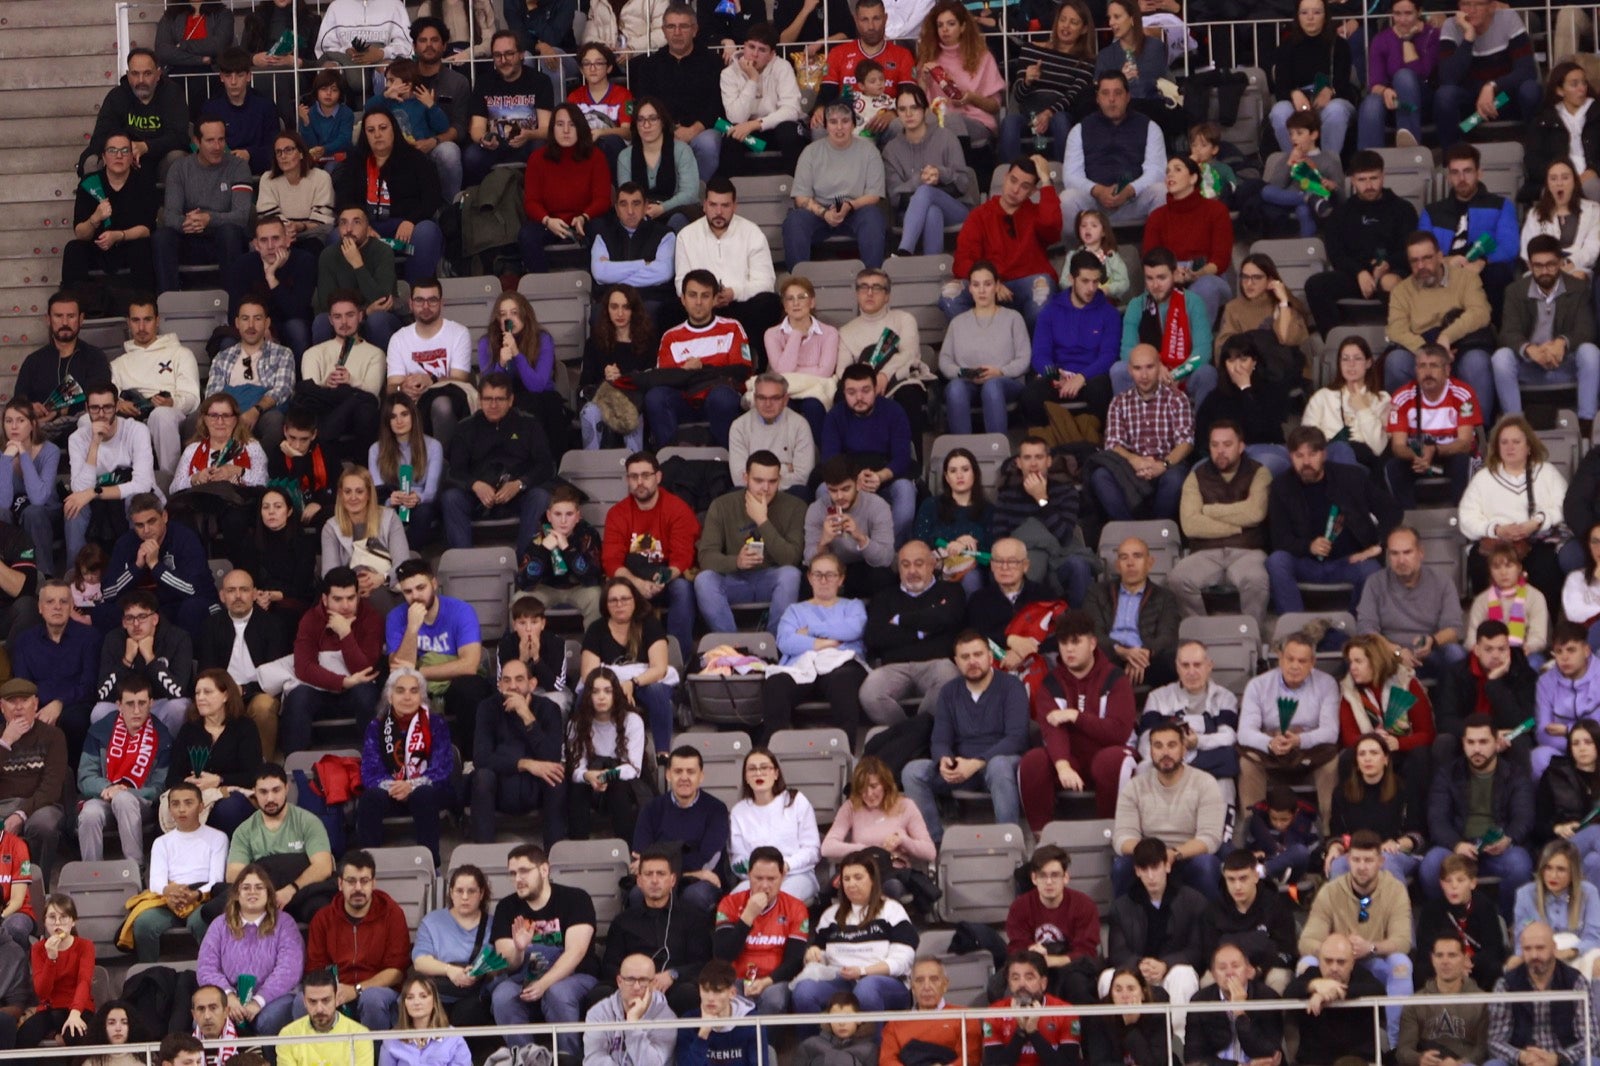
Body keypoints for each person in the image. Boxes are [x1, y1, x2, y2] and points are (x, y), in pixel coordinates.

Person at [902, 631, 1028, 845]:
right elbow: (940, 738)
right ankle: (936, 844)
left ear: (990, 657)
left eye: (978, 654)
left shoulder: (1011, 686)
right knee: (912, 772)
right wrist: (944, 760)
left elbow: (1016, 738)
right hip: (961, 768)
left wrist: (977, 762)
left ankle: (1010, 842)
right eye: (965, 657)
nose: (972, 661)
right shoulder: (949, 691)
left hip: (1001, 763)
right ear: (956, 662)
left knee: (998, 765)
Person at [1020, 609, 1138, 828]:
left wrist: (1076, 717)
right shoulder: (1051, 683)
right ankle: (1042, 839)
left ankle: (1111, 833)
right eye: (1064, 643)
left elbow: (1119, 732)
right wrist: (1063, 766)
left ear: (1093, 643)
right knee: (1034, 760)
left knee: (1110, 761)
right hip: (1071, 759)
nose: (1069, 649)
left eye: (1076, 642)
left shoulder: (1115, 678)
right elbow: (1052, 730)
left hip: (1110, 754)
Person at [1266, 425, 1401, 616]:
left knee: (1371, 570)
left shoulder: (1351, 477)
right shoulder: (1281, 486)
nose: (1306, 462)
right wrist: (1308, 546)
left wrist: (1380, 545)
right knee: (1276, 561)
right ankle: (1293, 629)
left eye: (1312, 454)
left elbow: (1391, 510)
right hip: (1305, 562)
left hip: (1349, 560)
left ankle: (1356, 630)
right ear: (1290, 457)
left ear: (1324, 454)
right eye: (1299, 455)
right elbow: (1279, 539)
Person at [1299, 828, 1415, 1041]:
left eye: (1369, 860)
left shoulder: (1395, 890)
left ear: (1381, 861)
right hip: (1337, 965)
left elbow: (1403, 941)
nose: (1362, 867)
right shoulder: (1330, 891)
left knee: (1401, 963)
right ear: (1348, 860)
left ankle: (1395, 1045)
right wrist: (1335, 951)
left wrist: (1370, 947)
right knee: (1306, 962)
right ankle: (1310, 1043)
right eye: (1356, 860)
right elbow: (1307, 941)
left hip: (1374, 962)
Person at [490, 844, 601, 1055]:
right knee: (502, 995)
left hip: (575, 976)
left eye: (524, 871)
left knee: (557, 992)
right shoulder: (506, 907)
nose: (518, 879)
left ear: (544, 870)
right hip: (524, 978)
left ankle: (568, 1058)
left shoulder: (576, 899)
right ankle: (527, 1058)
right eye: (512, 873)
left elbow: (575, 952)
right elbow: (507, 962)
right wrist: (520, 950)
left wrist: (544, 983)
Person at [1421, 714, 1536, 912]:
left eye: (1483, 742)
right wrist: (1456, 844)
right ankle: (1448, 920)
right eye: (1470, 742)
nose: (1476, 749)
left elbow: (1524, 815)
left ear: (1496, 743)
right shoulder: (1448, 774)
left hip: (1499, 849)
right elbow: (1437, 819)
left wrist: (1508, 839)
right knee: (1431, 865)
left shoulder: (1514, 774)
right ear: (1463, 744)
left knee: (1520, 866)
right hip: (1458, 847)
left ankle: (1506, 923)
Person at [1304, 153, 1420, 336]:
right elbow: (1336, 254)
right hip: (1355, 275)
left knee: (1390, 282)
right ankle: (1336, 341)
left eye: (1374, 178)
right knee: (1315, 285)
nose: (1369, 185)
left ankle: (1399, 338)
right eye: (1362, 180)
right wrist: (1359, 272)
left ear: (1383, 176)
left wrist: (1387, 264)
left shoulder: (1403, 209)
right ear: (1352, 181)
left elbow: (1411, 249)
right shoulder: (1341, 213)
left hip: (1392, 271)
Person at [1493, 237, 1600, 434]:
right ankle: (1514, 425)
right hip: (1530, 364)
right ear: (1529, 265)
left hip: (1565, 361)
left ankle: (1587, 423)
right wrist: (1529, 349)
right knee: (1501, 358)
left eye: (1550, 265)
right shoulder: (1515, 291)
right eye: (1538, 266)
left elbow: (1586, 330)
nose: (1544, 271)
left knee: (1590, 352)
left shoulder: (1578, 288)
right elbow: (1508, 332)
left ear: (1560, 262)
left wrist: (1562, 343)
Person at [602, 450, 698, 669]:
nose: (640, 482)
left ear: (658, 477)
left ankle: (677, 662)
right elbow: (611, 562)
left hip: (665, 577)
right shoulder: (618, 513)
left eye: (646, 475)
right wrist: (637, 584)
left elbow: (682, 558)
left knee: (683, 590)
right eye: (634, 477)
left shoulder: (677, 509)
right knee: (611, 591)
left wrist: (661, 580)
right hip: (632, 579)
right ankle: (619, 659)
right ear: (628, 480)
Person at [1167, 421, 1272, 621]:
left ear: (1241, 446)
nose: (1220, 451)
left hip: (1248, 551)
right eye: (1215, 445)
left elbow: (1255, 513)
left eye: (1227, 444)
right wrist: (1238, 526)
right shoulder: (1195, 477)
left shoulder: (1259, 473)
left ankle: (1251, 635)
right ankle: (1201, 634)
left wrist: (1208, 510)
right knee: (1177, 578)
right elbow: (1191, 525)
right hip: (1205, 553)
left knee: (1256, 579)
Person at [790, 850, 917, 1013]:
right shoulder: (830, 915)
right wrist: (813, 954)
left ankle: (872, 1039)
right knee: (804, 991)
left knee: (866, 988)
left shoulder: (892, 910)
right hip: (841, 981)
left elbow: (903, 961)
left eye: (858, 877)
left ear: (872, 880)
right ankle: (813, 1040)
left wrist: (863, 971)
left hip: (884, 982)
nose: (851, 884)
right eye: (846, 878)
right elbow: (820, 953)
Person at [386, 559, 491, 755]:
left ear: (434, 583)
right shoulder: (396, 617)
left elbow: (469, 665)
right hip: (418, 688)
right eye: (408, 592)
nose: (415, 596)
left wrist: (420, 672)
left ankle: (471, 758)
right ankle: (402, 762)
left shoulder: (461, 611)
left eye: (421, 587)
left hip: (453, 686)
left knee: (469, 687)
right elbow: (399, 671)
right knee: (395, 689)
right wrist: (412, 629)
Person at [438, 373, 553, 551]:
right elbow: (454, 472)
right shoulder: (465, 428)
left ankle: (525, 562)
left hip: (518, 494)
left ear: (510, 400)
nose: (493, 405)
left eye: (499, 399)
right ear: (479, 399)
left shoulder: (529, 425)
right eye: (488, 399)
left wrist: (520, 484)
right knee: (451, 498)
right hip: (477, 496)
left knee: (540, 496)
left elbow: (545, 466)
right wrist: (475, 485)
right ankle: (463, 565)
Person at [1112, 719, 1226, 899]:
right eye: (1158, 746)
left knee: (1206, 864)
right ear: (1150, 751)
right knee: (1121, 866)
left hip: (1187, 857)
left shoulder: (1205, 783)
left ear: (1184, 749)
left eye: (1172, 745)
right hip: (1149, 859)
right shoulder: (1135, 787)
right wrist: (1155, 856)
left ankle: (1210, 925)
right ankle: (1124, 924)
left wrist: (1173, 854)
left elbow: (1209, 839)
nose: (1165, 752)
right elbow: (1122, 838)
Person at [693, 451, 805, 635]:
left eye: (772, 482)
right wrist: (736, 561)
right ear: (746, 478)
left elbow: (792, 559)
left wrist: (762, 521)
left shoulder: (795, 506)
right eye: (758, 480)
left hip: (770, 579)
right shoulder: (722, 505)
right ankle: (733, 646)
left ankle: (775, 644)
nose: (765, 488)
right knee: (704, 580)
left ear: (780, 480)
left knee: (791, 575)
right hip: (735, 579)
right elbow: (706, 557)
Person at [943, 155, 1059, 328]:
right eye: (1013, 180)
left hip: (1026, 285)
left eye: (1024, 186)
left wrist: (1046, 181)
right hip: (988, 285)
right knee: (950, 294)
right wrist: (991, 282)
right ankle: (982, 347)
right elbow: (962, 261)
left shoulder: (1036, 213)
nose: (1015, 189)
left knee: (1043, 288)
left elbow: (1052, 227)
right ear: (1005, 178)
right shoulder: (979, 215)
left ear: (1033, 191)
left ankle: (1024, 348)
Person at [1238, 629, 1341, 823]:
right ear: (1280, 658)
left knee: (1332, 763)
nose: (1295, 666)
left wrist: (1300, 740)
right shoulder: (1258, 685)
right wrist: (1270, 742)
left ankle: (1330, 831)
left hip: (1309, 751)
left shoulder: (1327, 684)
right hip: (1270, 750)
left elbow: (1331, 732)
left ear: (1312, 663)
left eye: (1302, 661)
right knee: (1247, 762)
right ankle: (1254, 829)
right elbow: (1244, 732)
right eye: (1290, 659)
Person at [332, 107, 444, 283]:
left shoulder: (415, 159)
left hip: (405, 227)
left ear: (394, 129)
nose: (377, 134)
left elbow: (432, 197)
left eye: (383, 128)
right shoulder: (354, 162)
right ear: (365, 135)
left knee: (427, 232)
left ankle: (416, 296)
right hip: (366, 226)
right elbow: (344, 200)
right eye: (371, 130)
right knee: (336, 237)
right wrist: (362, 226)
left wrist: (411, 221)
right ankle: (352, 301)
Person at [280, 567, 383, 757]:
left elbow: (365, 668)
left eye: (351, 598)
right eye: (338, 599)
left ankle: (375, 760)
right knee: (298, 696)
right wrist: (343, 682)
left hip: (357, 690)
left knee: (367, 694)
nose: (345, 606)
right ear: (325, 599)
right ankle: (294, 768)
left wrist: (345, 634)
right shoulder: (310, 619)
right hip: (320, 691)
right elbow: (303, 668)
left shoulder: (370, 617)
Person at [859, 541, 965, 725]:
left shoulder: (950, 590)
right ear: (898, 568)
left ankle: (916, 735)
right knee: (870, 693)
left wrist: (901, 620)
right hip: (894, 667)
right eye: (905, 564)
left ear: (932, 565)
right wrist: (922, 632)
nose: (912, 571)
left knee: (949, 682)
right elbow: (875, 637)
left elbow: (947, 618)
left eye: (919, 563)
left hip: (937, 664)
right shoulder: (884, 597)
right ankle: (907, 734)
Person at [302, 850, 410, 1031]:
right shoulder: (323, 918)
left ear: (373, 883)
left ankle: (373, 1058)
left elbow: (397, 971)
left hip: (378, 991)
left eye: (364, 881)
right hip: (335, 990)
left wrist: (357, 989)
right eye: (351, 881)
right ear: (340, 884)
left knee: (372, 999)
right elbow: (316, 968)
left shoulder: (392, 913)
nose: (358, 888)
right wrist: (331, 993)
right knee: (302, 1003)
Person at [649, 269, 756, 449]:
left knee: (721, 396)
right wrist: (694, 374)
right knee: (655, 397)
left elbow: (742, 370)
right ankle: (670, 461)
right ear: (683, 299)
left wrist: (700, 369)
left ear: (715, 299)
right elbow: (665, 379)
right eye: (692, 295)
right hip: (684, 403)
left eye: (705, 296)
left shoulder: (732, 327)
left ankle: (728, 461)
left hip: (720, 401)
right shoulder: (670, 336)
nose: (698, 302)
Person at [600, 845, 712, 1015]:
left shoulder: (693, 918)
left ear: (673, 880)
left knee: (689, 993)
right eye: (648, 874)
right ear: (639, 881)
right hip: (633, 985)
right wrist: (634, 980)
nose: (654, 880)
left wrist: (673, 974)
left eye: (661, 874)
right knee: (600, 993)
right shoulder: (623, 921)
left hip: (674, 985)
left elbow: (702, 964)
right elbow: (609, 965)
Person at [1106, 837, 1204, 1032]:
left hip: (1172, 971)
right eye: (1144, 869)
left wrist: (1166, 964)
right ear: (1137, 871)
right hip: (1136, 972)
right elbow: (1117, 953)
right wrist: (1139, 965)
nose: (1151, 876)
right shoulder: (1121, 906)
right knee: (1107, 978)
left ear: (1167, 866)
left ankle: (1178, 1044)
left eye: (1155, 867)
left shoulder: (1193, 900)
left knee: (1183, 975)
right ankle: (1120, 1042)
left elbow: (1198, 950)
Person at [356, 668, 453, 865]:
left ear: (422, 697)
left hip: (428, 791)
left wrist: (412, 785)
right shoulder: (377, 726)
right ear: (390, 697)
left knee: (424, 794)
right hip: (390, 792)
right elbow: (370, 771)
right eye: (400, 691)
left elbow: (442, 767)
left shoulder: (436, 724)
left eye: (413, 691)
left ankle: (430, 864)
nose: (407, 696)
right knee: (370, 797)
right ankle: (365, 865)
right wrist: (395, 787)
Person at [1421, 144, 1523, 330]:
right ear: (1448, 176)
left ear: (1479, 173)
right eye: (1455, 173)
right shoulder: (1432, 212)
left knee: (1499, 273)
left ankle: (1492, 332)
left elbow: (1510, 246)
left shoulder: (1500, 205)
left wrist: (1482, 262)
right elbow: (1420, 252)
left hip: (1485, 271)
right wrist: (1444, 260)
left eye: (1467, 171)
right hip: (1446, 272)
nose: (1461, 179)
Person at [1088, 345, 1194, 523]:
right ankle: (1128, 532)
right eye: (1137, 368)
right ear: (1129, 370)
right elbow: (1113, 444)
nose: (1144, 375)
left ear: (1160, 366)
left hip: (1167, 465)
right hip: (1131, 468)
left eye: (1149, 367)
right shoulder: (1119, 402)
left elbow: (1186, 442)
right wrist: (1135, 461)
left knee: (1175, 478)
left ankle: (1158, 530)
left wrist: (1163, 465)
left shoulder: (1177, 398)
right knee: (1100, 477)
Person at [195, 864, 304, 1035]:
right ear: (237, 894)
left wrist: (258, 1001)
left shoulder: (285, 924)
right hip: (229, 999)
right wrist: (228, 997)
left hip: (273, 999)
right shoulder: (219, 925)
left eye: (259, 887)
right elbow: (206, 968)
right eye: (246, 888)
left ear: (269, 893)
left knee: (269, 1019)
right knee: (207, 1017)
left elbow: (289, 969)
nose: (252, 892)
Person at [123, 780, 225, 961]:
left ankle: (211, 975)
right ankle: (149, 976)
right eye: (175, 804)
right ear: (169, 809)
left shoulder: (218, 838)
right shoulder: (162, 842)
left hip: (201, 898)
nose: (182, 809)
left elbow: (216, 880)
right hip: (168, 899)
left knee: (201, 921)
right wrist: (171, 893)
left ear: (201, 806)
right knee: (144, 924)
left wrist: (194, 895)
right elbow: (156, 882)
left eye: (188, 803)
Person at [77, 675, 171, 863]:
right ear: (119, 705)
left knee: (123, 800)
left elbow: (160, 787)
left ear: (151, 703)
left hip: (141, 802)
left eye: (142, 703)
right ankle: (91, 874)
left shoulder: (162, 736)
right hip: (103, 796)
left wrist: (127, 792)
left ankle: (135, 867)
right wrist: (107, 789)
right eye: (130, 704)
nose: (136, 710)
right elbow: (85, 777)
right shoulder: (100, 730)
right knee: (89, 814)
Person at [152, 118, 252, 293]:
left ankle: (236, 305)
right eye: (210, 140)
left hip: (225, 239)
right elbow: (171, 215)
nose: (217, 146)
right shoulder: (179, 168)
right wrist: (188, 222)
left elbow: (241, 215)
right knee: (162, 237)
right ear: (196, 141)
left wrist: (209, 218)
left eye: (221, 139)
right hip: (190, 237)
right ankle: (170, 304)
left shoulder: (238, 166)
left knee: (230, 232)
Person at [989, 440, 1093, 604]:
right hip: (1022, 561)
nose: (1033, 463)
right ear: (1018, 463)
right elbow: (1000, 540)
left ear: (1049, 461)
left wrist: (1042, 499)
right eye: (1027, 458)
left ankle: (1076, 625)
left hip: (1059, 557)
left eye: (1039, 457)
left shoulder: (1066, 492)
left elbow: (1064, 536)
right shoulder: (1006, 495)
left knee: (1079, 566)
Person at [1357, 525, 1469, 678]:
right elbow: (1366, 628)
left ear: (1420, 553)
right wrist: (1395, 651)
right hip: (1388, 655)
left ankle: (1447, 702)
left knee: (1455, 654)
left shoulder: (1442, 581)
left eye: (1407, 552)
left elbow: (1454, 629)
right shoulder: (1375, 582)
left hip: (1428, 653)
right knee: (1358, 657)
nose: (1401, 560)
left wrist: (1432, 640)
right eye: (1395, 554)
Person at [1386, 342, 1487, 508]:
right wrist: (1415, 455)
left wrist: (1435, 450)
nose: (1427, 372)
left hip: (1452, 454)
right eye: (1422, 366)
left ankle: (1463, 519)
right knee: (1393, 467)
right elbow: (1397, 446)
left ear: (1447, 370)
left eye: (1434, 366)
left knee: (1463, 462)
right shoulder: (1402, 397)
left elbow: (1465, 443)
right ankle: (1407, 523)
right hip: (1417, 458)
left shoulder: (1463, 394)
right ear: (1416, 370)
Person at [713, 845, 811, 1015]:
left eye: (772, 879)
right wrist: (748, 916)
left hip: (774, 980)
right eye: (758, 878)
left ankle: (765, 1043)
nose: (765, 885)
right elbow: (722, 955)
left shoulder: (796, 907)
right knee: (721, 998)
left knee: (774, 1000)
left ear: (783, 876)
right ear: (748, 876)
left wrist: (767, 981)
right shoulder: (729, 903)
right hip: (736, 978)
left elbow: (795, 961)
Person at [1026, 252, 1121, 425]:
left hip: (1091, 377)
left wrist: (1082, 377)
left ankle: (1097, 444)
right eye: (1085, 281)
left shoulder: (1109, 313)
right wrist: (1054, 374)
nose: (1091, 288)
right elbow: (1040, 354)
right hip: (1058, 376)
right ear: (1071, 279)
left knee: (1100, 388)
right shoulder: (1050, 311)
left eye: (1095, 281)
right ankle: (1045, 446)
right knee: (1031, 394)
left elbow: (1109, 356)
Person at [936, 263, 1029, 438]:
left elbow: (1024, 359)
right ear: (969, 288)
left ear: (997, 286)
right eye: (976, 285)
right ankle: (961, 455)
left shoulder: (1013, 318)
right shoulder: (958, 322)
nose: (982, 290)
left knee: (992, 386)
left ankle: (998, 452)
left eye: (987, 284)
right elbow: (945, 360)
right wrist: (963, 372)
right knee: (955, 388)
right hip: (968, 382)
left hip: (1005, 382)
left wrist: (1000, 371)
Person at [839, 267, 933, 441]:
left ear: (887, 295)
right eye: (863, 287)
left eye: (876, 288)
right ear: (857, 293)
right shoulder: (845, 332)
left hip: (901, 380)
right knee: (841, 397)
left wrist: (884, 375)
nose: (869, 293)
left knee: (909, 394)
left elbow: (909, 354)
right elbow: (842, 372)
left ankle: (914, 464)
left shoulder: (904, 319)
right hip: (863, 387)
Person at [632, 746, 731, 912]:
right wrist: (692, 872)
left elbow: (707, 859)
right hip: (664, 879)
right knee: (638, 894)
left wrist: (665, 858)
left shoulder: (716, 809)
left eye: (691, 772)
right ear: (668, 775)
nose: (684, 777)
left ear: (701, 776)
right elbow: (642, 857)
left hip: (700, 884)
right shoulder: (651, 809)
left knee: (694, 896)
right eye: (678, 771)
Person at [62, 134, 159, 302]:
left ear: (131, 157)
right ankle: (74, 309)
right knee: (73, 249)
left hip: (129, 242)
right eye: (112, 150)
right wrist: (95, 218)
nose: (119, 155)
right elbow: (80, 233)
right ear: (104, 157)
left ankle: (145, 306)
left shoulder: (144, 182)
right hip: (97, 246)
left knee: (143, 248)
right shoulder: (89, 183)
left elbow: (146, 229)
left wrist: (119, 235)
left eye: (124, 151)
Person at [1062, 73, 1165, 228]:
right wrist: (1097, 191)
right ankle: (1075, 253)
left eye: (1117, 93)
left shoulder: (1150, 127)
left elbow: (1156, 171)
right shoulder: (1080, 129)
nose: (1111, 99)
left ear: (1128, 96)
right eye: (1105, 93)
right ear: (1097, 98)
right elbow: (1071, 176)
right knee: (1067, 199)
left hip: (1133, 200)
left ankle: (1155, 250)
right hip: (1093, 202)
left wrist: (1130, 190)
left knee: (1161, 191)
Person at [518, 104, 611, 276]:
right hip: (550, 221)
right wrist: (547, 220)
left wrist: (584, 216)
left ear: (581, 128)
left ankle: (598, 291)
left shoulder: (596, 156)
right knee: (527, 235)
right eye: (560, 124)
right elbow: (531, 202)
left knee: (601, 229)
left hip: (583, 220)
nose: (566, 130)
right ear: (552, 128)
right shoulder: (537, 158)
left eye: (572, 124)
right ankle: (543, 289)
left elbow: (603, 199)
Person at [1435, 0, 1542, 149]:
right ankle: (1452, 159)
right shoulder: (1451, 25)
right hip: (1472, 103)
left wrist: (1492, 86)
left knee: (1530, 89)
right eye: (1465, 4)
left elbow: (1527, 70)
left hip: (1504, 98)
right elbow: (1448, 78)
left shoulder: (1508, 18)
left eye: (1478, 4)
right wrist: (1468, 38)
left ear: (1492, 7)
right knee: (1444, 95)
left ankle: (1536, 151)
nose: (1471, 10)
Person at [1485, 922, 1592, 1066]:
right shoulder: (1505, 985)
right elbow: (1495, 1041)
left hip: (1564, 1061)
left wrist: (1557, 1059)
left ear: (1554, 948)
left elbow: (1591, 1039)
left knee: (1593, 1062)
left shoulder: (1576, 982)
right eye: (1527, 949)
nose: (1534, 955)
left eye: (1540, 948)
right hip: (1522, 1062)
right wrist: (1522, 1057)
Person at [1001, 0, 1095, 162]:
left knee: (1060, 121)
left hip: (1060, 113)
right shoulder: (1032, 50)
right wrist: (1027, 82)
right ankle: (1010, 177)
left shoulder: (1086, 62)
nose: (1066, 26)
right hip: (1028, 114)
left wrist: (1049, 113)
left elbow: (1073, 96)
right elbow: (1018, 95)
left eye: (1073, 22)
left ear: (1084, 29)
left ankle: (1066, 177)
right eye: (1063, 20)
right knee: (1009, 122)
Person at [885, 86, 973, 259]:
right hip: (909, 213)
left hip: (954, 207)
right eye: (902, 109)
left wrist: (940, 174)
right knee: (932, 211)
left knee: (926, 192)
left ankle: (904, 252)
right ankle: (933, 268)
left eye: (914, 108)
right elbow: (895, 198)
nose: (908, 114)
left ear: (925, 111)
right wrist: (920, 179)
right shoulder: (891, 149)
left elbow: (963, 183)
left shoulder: (946, 137)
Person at [1084, 536, 1180, 692]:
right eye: (1124, 557)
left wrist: (1142, 655)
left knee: (1170, 663)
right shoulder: (1097, 592)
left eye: (1137, 556)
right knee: (1088, 658)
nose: (1130, 563)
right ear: (1117, 565)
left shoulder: (1165, 597)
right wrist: (1122, 652)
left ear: (1150, 563)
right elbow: (1093, 632)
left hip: (1148, 659)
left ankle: (1161, 713)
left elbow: (1167, 636)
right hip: (1109, 655)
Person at [0, 675, 70, 884]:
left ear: (35, 704)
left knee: (44, 825)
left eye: (24, 701)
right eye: (12, 701)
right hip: (3, 804)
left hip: (41, 804)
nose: (18, 707)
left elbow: (51, 786)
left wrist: (21, 814)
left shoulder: (53, 736)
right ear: (2, 707)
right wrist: (5, 742)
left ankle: (39, 886)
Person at [15, 293, 112, 444]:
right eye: (58, 316)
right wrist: (31, 408)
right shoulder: (34, 361)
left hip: (82, 428)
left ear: (81, 319)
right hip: (40, 431)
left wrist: (59, 411)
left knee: (88, 421)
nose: (64, 322)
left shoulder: (95, 357)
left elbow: (100, 397)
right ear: (48, 319)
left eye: (71, 316)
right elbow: (18, 403)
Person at [81, 48, 190, 181]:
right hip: (124, 162)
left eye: (147, 73)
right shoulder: (116, 97)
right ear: (127, 74)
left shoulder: (172, 94)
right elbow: (99, 138)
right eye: (135, 74)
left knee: (178, 158)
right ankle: (99, 202)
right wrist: (124, 150)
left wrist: (146, 146)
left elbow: (180, 138)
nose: (141, 80)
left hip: (161, 161)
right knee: (92, 161)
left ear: (158, 74)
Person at [1267, 0, 1357, 156]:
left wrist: (1331, 91)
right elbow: (1280, 88)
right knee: (1279, 111)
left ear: (1325, 16)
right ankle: (1297, 164)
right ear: (1297, 16)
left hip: (1332, 101)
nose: (1310, 18)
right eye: (1304, 13)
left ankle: (1328, 162)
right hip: (1299, 105)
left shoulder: (1340, 45)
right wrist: (1293, 94)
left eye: (1316, 12)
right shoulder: (1286, 47)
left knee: (1336, 110)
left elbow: (1344, 84)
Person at [203, 302, 294, 455]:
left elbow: (282, 390)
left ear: (267, 323)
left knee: (275, 421)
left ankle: (258, 471)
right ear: (237, 323)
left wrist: (255, 410)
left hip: (263, 413)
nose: (251, 325)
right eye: (245, 319)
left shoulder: (282, 354)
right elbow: (212, 394)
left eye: (257, 319)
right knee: (194, 420)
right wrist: (230, 416)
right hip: (227, 413)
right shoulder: (223, 357)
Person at [411, 865, 495, 1026]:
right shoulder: (432, 922)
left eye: (471, 891)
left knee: (470, 1012)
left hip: (474, 995)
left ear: (481, 893)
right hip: (438, 993)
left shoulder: (493, 924)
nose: (465, 897)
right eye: (459, 891)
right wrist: (450, 971)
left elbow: (498, 963)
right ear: (450, 892)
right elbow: (420, 961)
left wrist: (479, 972)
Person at [464, 30, 552, 184]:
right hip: (495, 145)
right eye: (497, 55)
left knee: (542, 149)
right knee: (472, 155)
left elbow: (546, 128)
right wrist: (484, 139)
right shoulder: (484, 82)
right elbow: (477, 127)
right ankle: (482, 200)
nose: (503, 60)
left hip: (529, 142)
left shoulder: (540, 81)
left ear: (521, 54)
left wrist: (529, 135)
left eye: (509, 54)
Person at [802, 457, 896, 600]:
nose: (839, 496)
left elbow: (886, 558)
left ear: (858, 484)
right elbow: (808, 560)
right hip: (831, 569)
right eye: (833, 491)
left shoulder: (877, 506)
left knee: (883, 577)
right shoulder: (816, 509)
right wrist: (823, 543)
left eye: (845, 489)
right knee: (806, 581)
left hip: (863, 567)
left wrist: (861, 538)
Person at [1286, 933, 1386, 1066]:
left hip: (1358, 1059)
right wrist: (1313, 985)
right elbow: (1289, 992)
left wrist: (1334, 992)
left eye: (1341, 962)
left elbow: (1378, 990)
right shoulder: (1311, 974)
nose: (1334, 968)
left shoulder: (1362, 976)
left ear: (1352, 963)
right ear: (1319, 961)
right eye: (1328, 961)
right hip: (1314, 1060)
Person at [717, 25, 805, 175]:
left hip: (776, 131)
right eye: (751, 47)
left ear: (771, 54)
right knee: (731, 137)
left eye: (762, 50)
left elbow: (791, 110)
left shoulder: (782, 67)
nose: (755, 54)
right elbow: (735, 117)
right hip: (753, 140)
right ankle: (739, 191)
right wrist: (753, 80)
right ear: (744, 46)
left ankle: (794, 189)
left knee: (789, 132)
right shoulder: (728, 74)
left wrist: (755, 124)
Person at [912, 0, 1002, 146]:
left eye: (951, 24)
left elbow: (995, 106)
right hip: (935, 121)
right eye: (940, 25)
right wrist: (922, 81)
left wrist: (971, 98)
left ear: (963, 27)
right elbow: (919, 106)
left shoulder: (983, 56)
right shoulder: (928, 58)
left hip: (976, 121)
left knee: (950, 120)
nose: (945, 29)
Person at [312, 207, 403, 351]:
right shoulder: (328, 255)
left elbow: (382, 301)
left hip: (381, 320)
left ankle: (388, 372)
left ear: (368, 228)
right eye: (343, 223)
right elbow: (327, 304)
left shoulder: (383, 251)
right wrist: (364, 312)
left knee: (377, 319)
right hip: (347, 318)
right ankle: (329, 371)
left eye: (356, 222)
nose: (349, 229)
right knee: (322, 321)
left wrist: (358, 264)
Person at [580, 285, 656, 453]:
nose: (620, 314)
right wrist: (606, 379)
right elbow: (584, 384)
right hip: (603, 399)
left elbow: (652, 379)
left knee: (631, 411)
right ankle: (592, 466)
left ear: (634, 310)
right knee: (589, 411)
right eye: (614, 307)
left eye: (626, 307)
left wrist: (624, 379)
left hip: (635, 400)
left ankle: (636, 465)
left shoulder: (648, 342)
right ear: (607, 310)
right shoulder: (594, 342)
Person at [1185, 942, 1285, 1066]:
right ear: (1214, 975)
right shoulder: (1200, 1001)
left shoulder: (1268, 997)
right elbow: (1194, 1057)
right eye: (1222, 968)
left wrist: (1240, 1014)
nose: (1229, 973)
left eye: (1235, 966)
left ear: (1249, 970)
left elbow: (1269, 1053)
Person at [1398, 933, 1491, 1066]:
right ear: (1432, 959)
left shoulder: (1482, 1001)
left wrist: (1459, 1063)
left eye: (1452, 955)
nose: (1445, 961)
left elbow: (1483, 1049)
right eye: (1439, 955)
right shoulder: (1415, 1002)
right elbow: (1403, 1050)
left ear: (1465, 959)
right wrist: (1419, 1059)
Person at [1509, 840, 1600, 977]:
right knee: (1512, 965)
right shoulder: (1525, 894)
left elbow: (1593, 938)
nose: (1553, 876)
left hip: (1577, 954)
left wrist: (1569, 952)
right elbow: (1522, 938)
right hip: (1539, 956)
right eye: (1548, 868)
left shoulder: (1588, 892)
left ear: (1573, 872)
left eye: (1561, 869)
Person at [16, 894, 94, 1049]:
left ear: (73, 921)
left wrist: (75, 1013)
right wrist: (51, 959)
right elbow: (42, 992)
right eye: (52, 917)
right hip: (50, 1008)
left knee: (75, 1033)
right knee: (24, 1036)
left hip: (79, 1007)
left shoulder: (85, 946)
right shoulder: (38, 948)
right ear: (45, 922)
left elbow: (84, 982)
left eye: (63, 917)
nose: (57, 922)